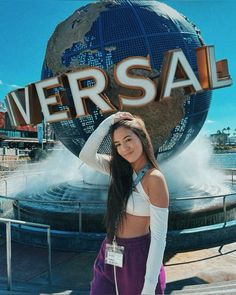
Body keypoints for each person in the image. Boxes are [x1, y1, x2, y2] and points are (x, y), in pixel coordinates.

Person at [79, 111, 169, 295]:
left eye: (128, 139)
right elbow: (86, 156)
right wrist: (109, 122)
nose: (124, 148)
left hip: (137, 257)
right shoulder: (120, 170)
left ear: (142, 137)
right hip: (110, 250)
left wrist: (149, 287)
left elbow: (159, 238)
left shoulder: (154, 179)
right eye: (118, 144)